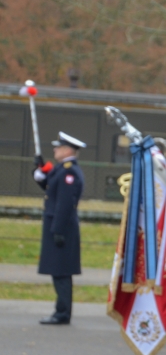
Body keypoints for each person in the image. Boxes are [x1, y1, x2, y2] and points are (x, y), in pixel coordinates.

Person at [34, 132, 86, 325]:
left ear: (67, 150)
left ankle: (62, 313)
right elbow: (50, 188)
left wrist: (58, 230)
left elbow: (64, 204)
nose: (55, 150)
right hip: (57, 225)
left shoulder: (69, 173)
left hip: (62, 227)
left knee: (62, 272)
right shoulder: (61, 170)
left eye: (58, 147)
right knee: (58, 271)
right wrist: (39, 170)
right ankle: (61, 311)